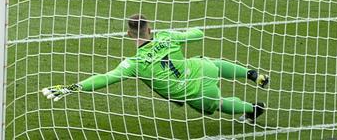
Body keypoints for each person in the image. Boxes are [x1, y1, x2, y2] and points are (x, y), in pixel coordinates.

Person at [41, 15, 270, 124]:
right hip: (202, 69)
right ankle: (251, 74)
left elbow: (105, 78)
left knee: (218, 104)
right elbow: (199, 33)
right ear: (150, 28)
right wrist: (171, 34)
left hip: (194, 92)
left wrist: (73, 88)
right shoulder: (167, 36)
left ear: (129, 34)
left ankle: (252, 109)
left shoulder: (134, 63)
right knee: (210, 62)